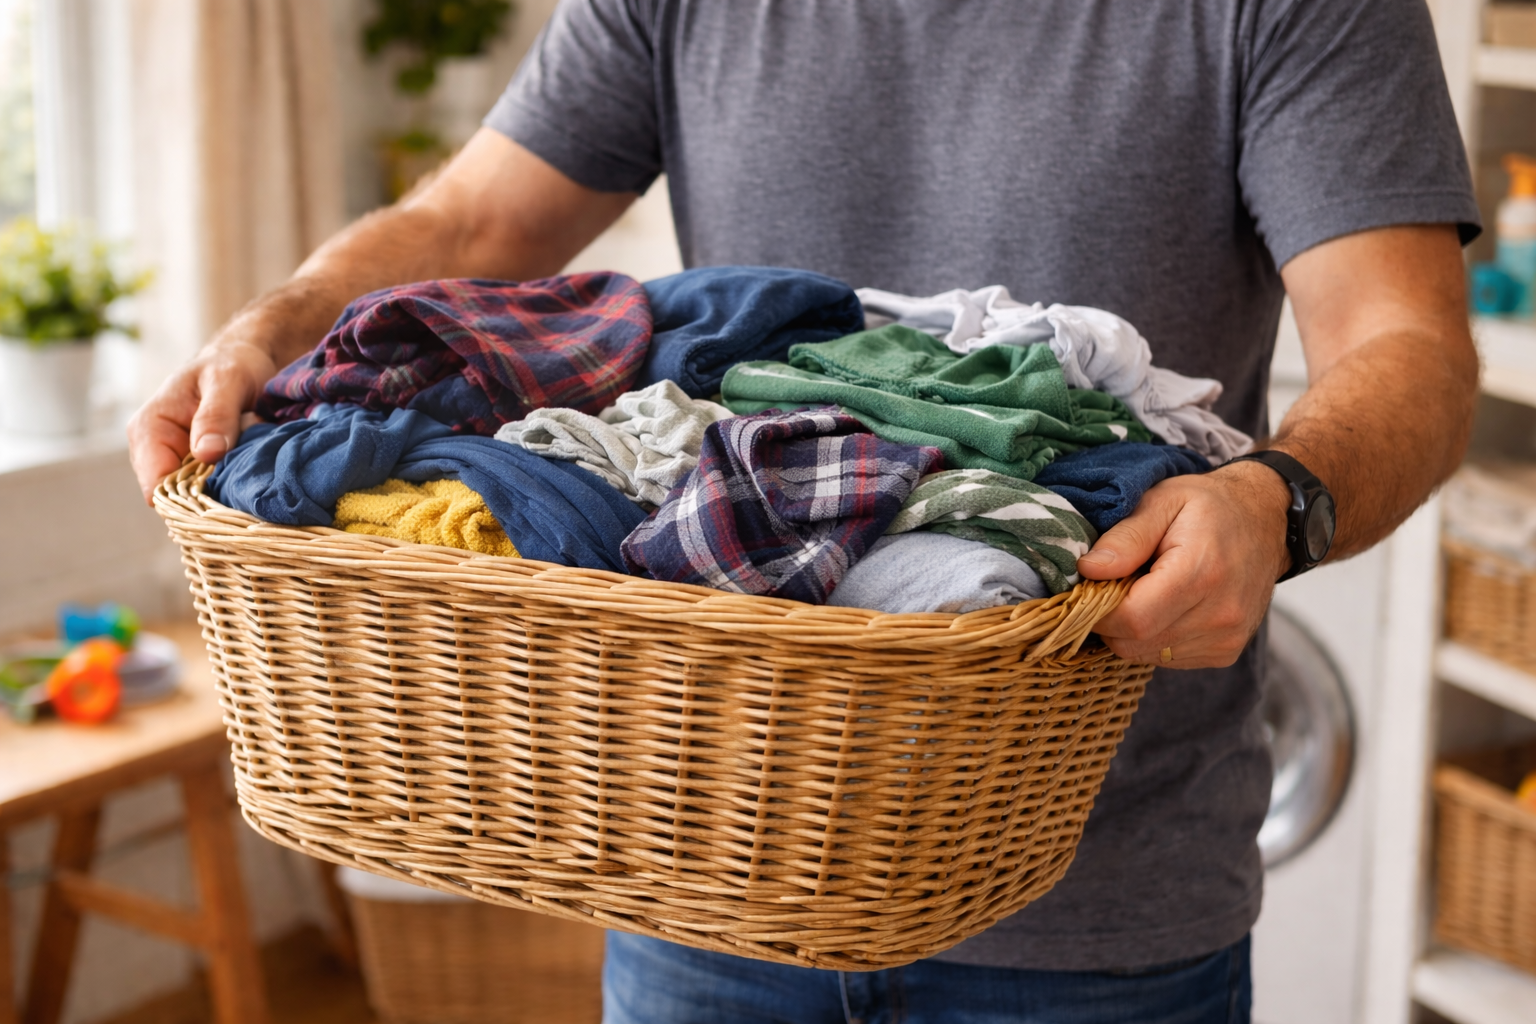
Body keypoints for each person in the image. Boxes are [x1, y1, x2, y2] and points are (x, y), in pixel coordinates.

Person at [128, 1, 1480, 1021]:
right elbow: (476, 224)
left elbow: (1407, 345)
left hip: (1096, 915)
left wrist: (1272, 499)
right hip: (704, 852)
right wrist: (279, 330)